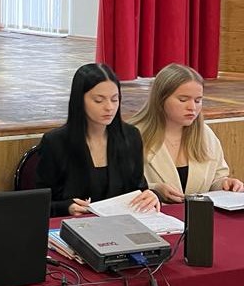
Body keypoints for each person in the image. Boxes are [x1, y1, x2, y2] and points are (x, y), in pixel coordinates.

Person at [36, 63, 159, 217]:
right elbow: (38, 203)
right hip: (76, 224)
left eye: (114, 99)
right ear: (79, 101)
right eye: (99, 100)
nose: (109, 107)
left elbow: (139, 189)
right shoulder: (55, 142)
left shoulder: (130, 136)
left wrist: (151, 196)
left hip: (121, 223)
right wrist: (66, 208)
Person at [131, 63, 244, 201]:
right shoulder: (133, 136)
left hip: (198, 213)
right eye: (183, 100)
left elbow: (215, 179)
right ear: (160, 99)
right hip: (153, 213)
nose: (192, 107)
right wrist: (154, 189)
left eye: (198, 100)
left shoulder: (205, 134)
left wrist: (225, 184)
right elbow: (119, 189)